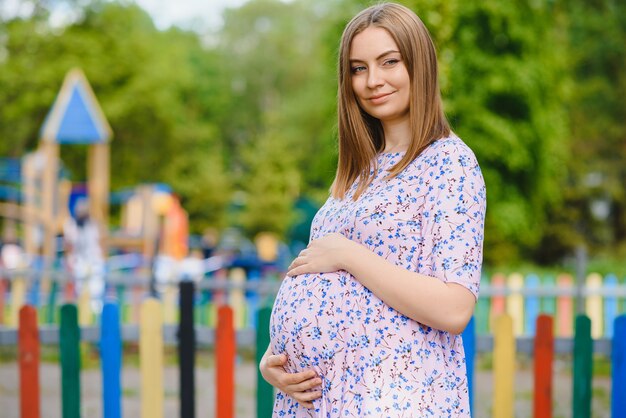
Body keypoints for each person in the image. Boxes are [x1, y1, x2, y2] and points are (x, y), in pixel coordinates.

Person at [259, 3, 486, 417]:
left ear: (420, 64)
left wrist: (349, 255)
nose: (372, 81)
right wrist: (275, 360)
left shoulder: (449, 163)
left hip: (393, 397)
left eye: (389, 62)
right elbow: (320, 277)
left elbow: (455, 309)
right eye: (358, 68)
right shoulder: (359, 170)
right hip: (320, 401)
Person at [64, 199, 105, 312]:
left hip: (94, 259)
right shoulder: (71, 225)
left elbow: (99, 241)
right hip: (79, 260)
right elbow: (69, 245)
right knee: (80, 285)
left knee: (96, 285)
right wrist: (70, 260)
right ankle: (83, 307)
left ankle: (96, 309)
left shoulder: (93, 225)